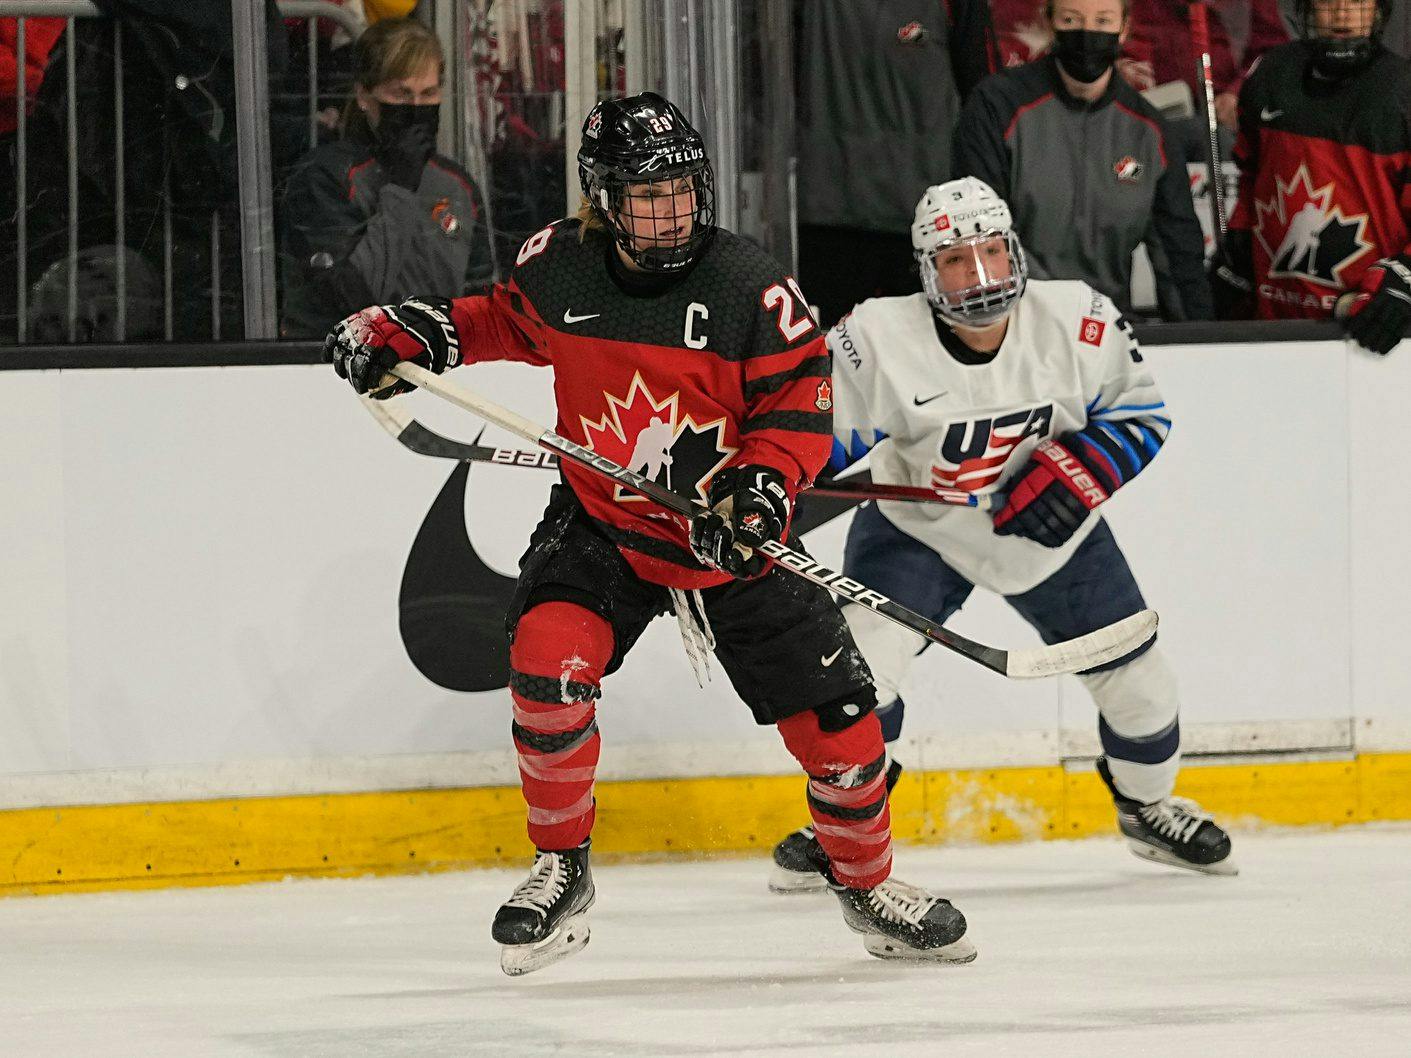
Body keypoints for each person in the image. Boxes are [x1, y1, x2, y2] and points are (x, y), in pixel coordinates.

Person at [324, 92, 977, 975]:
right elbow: (501, 323)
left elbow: (797, 406)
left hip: (727, 539)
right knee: (545, 667)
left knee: (844, 724)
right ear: (601, 197)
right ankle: (561, 868)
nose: (670, 209)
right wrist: (410, 329)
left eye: (681, 188)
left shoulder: (753, 287)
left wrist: (756, 493)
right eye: (645, 193)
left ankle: (865, 886)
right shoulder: (559, 265)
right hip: (605, 521)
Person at [768, 177, 1236, 896]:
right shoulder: (874, 338)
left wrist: (1076, 472)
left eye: (991, 251)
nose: (980, 274)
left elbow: (1142, 417)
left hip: (1051, 536)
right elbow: (810, 445)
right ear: (926, 272)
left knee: (1144, 688)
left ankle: (1148, 808)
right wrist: (758, 481)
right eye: (957, 260)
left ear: (1015, 250)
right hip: (918, 532)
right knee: (855, 683)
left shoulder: (1079, 317)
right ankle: (846, 826)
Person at [952, 0, 1214, 321]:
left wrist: (1198, 346)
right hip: (1014, 323)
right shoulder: (997, 106)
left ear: (1124, 27)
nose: (1087, 33)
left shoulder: (1150, 131)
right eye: (1071, 19)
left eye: (1102, 21)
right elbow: (978, 231)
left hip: (1106, 326)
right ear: (1049, 22)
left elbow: (1179, 257)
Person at [1214, 0, 1411, 354]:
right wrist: (1239, 245)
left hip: (1367, 332)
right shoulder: (1271, 74)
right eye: (1327, 1)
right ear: (1305, 9)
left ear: (1380, 11)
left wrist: (1405, 279)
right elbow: (1251, 176)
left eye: (1358, 1)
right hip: (1274, 326)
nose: (1343, 13)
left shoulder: (1403, 92)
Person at [280, 17, 492, 338]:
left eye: (428, 93)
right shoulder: (323, 177)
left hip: (438, 366)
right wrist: (401, 188)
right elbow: (354, 303)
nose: (416, 107)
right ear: (365, 97)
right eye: (401, 94)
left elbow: (485, 301)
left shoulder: (457, 184)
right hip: (333, 369)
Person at [794, 0, 999, 326]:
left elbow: (982, 98)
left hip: (926, 219)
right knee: (833, 360)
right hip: (828, 213)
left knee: (927, 359)